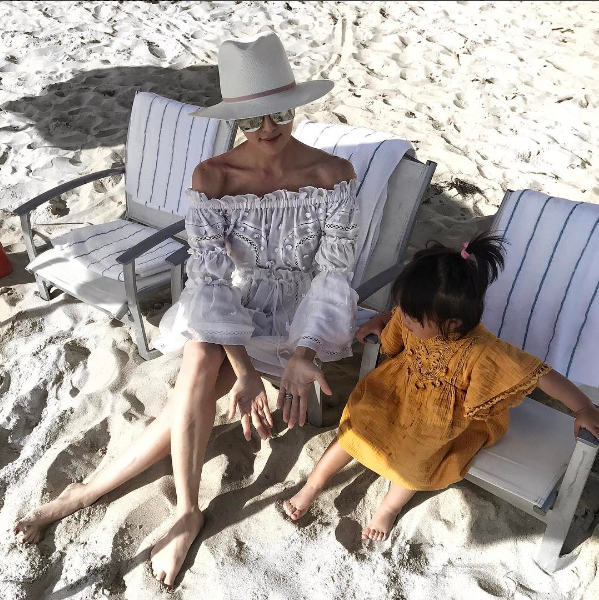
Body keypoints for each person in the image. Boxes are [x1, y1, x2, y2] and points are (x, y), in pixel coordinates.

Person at [14, 32, 358, 587]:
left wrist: (305, 350)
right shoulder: (213, 178)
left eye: (280, 113)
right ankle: (186, 511)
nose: (267, 130)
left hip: (303, 318)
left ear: (295, 105)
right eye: (251, 120)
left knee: (187, 395)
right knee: (202, 356)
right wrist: (244, 371)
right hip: (233, 311)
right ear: (234, 119)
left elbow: (334, 275)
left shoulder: (333, 174)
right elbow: (211, 283)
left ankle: (92, 490)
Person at [284, 232, 599, 541]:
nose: (403, 320)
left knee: (418, 459)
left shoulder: (483, 350)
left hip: (439, 418)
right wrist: (383, 319)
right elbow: (398, 323)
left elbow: (540, 374)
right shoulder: (418, 315)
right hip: (396, 392)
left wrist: (583, 407)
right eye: (402, 310)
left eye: (411, 318)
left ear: (451, 324)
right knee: (355, 428)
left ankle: (389, 508)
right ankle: (312, 485)